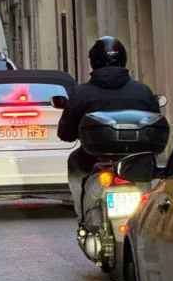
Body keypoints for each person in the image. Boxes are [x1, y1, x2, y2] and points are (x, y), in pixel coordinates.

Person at [57, 36, 159, 219]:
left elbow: (65, 133)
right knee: (146, 177)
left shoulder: (81, 93)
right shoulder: (143, 91)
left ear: (93, 62)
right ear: (123, 59)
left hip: (92, 160)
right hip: (134, 162)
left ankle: (83, 216)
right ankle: (145, 216)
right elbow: (156, 127)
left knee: (74, 162)